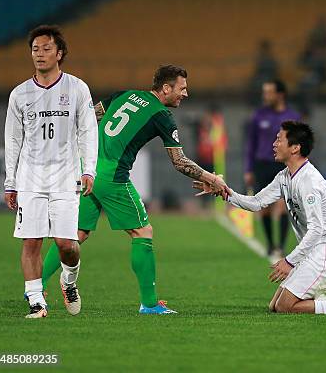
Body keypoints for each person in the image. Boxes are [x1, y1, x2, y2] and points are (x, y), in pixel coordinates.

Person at [41, 65, 228, 314]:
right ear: (166, 88)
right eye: (182, 89)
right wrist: (212, 179)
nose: (185, 94)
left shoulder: (123, 95)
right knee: (143, 231)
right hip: (112, 177)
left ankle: (35, 286)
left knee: (77, 233)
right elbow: (179, 162)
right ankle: (149, 304)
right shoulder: (161, 115)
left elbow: (87, 120)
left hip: (86, 171)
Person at [197, 121, 326, 315]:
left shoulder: (309, 181)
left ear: (295, 148)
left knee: (285, 306)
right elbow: (257, 202)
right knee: (275, 305)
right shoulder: (285, 176)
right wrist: (225, 192)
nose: (274, 144)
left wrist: (290, 261)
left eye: (279, 139)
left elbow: (317, 230)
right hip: (313, 252)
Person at [4, 24, 98, 318]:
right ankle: (36, 301)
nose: (40, 54)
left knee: (66, 244)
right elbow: (13, 139)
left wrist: (89, 170)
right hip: (30, 177)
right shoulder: (19, 94)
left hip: (66, 177)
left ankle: (69, 280)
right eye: (35, 49)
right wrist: (11, 182)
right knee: (31, 241)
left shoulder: (77, 88)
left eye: (46, 49)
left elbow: (87, 131)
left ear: (59, 53)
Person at [244, 80, 301, 258]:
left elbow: (300, 143)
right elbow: (251, 144)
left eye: (269, 92)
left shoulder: (293, 117)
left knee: (284, 205)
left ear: (280, 95)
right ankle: (270, 244)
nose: (265, 96)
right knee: (265, 206)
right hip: (263, 165)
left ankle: (281, 246)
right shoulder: (259, 115)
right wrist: (249, 169)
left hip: (284, 165)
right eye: (265, 92)